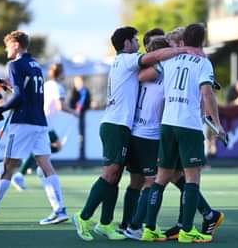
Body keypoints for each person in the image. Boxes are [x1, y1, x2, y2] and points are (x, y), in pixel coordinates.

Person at [71, 26, 204, 241]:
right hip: (117, 125)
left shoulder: (129, 65)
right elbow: (156, 57)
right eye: (134, 40)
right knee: (113, 174)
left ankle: (106, 223)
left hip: (124, 126)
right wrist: (184, 50)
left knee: (118, 177)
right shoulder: (127, 60)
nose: (138, 43)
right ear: (126, 44)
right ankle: (84, 216)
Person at [0, 30, 68, 225]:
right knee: (46, 166)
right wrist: (10, 88)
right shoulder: (35, 65)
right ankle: (59, 210)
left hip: (22, 122)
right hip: (39, 122)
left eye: (7, 45)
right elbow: (26, 92)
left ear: (15, 44)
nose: (6, 50)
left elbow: (20, 97)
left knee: (7, 167)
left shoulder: (14, 64)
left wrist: (0, 109)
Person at [138, 23, 226, 243]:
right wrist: (218, 124)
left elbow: (144, 75)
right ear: (203, 42)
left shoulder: (170, 60)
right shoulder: (204, 63)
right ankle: (187, 230)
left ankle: (149, 229)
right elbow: (207, 94)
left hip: (167, 124)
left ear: (184, 40)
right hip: (189, 125)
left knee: (161, 178)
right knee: (192, 178)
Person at [117, 27, 165, 234]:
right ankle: (135, 225)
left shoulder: (140, 69)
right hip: (146, 134)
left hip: (138, 132)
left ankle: (128, 223)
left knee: (137, 181)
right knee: (150, 181)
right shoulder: (159, 70)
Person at [11, 63, 77, 192]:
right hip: (44, 122)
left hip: (38, 119)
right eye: (63, 72)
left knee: (47, 148)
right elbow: (60, 106)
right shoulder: (58, 87)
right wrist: (74, 112)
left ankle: (34, 167)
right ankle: (24, 172)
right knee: (55, 146)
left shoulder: (45, 85)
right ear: (60, 73)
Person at [206, 78, 238, 157]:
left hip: (233, 111)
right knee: (220, 111)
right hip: (221, 114)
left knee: (221, 110)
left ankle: (216, 140)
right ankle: (212, 145)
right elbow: (230, 103)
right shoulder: (231, 91)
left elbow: (237, 104)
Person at [69, 75, 91, 160]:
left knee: (83, 135)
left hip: (83, 116)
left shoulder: (86, 91)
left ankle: (82, 155)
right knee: (76, 136)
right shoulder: (73, 92)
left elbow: (87, 103)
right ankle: (77, 155)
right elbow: (71, 103)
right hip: (74, 117)